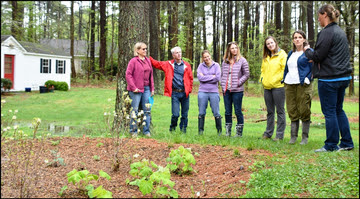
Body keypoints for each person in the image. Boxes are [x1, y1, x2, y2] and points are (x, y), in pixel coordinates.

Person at [304, 4, 354, 152]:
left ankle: (331, 145)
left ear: (325, 14)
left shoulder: (326, 32)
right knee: (339, 109)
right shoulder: (340, 32)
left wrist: (307, 51)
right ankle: (347, 142)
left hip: (330, 79)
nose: (318, 19)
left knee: (330, 111)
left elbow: (318, 56)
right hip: (343, 77)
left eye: (319, 16)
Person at [149, 47, 193, 133]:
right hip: (175, 93)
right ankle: (172, 129)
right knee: (175, 114)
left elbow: (191, 78)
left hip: (185, 93)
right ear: (173, 55)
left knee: (185, 114)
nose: (179, 54)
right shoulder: (168, 64)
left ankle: (183, 131)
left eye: (180, 52)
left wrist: (189, 89)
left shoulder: (187, 65)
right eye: (177, 53)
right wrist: (147, 56)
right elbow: (156, 64)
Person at [282, 30, 313, 145]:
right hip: (289, 84)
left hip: (303, 85)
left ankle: (304, 137)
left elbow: (314, 67)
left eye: (300, 37)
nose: (297, 39)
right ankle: (293, 137)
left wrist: (308, 78)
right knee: (291, 109)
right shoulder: (291, 53)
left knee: (304, 109)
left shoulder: (308, 52)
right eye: (295, 37)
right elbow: (287, 68)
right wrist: (284, 78)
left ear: (304, 39)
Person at [260, 36, 287, 141]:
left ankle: (279, 135)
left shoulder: (282, 54)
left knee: (280, 111)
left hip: (278, 87)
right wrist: (262, 79)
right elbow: (263, 70)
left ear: (275, 43)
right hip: (267, 87)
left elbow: (285, 70)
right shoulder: (266, 56)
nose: (270, 45)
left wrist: (279, 79)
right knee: (270, 111)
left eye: (271, 43)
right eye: (268, 44)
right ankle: (268, 133)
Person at [220, 42, 250, 137]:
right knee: (227, 111)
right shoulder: (225, 61)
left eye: (235, 48)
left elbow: (246, 74)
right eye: (232, 48)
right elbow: (222, 75)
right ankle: (228, 132)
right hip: (226, 90)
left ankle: (238, 133)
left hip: (237, 91)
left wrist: (238, 83)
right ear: (229, 50)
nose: (234, 50)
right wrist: (222, 84)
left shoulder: (242, 60)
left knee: (237, 111)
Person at [125, 42, 154, 137]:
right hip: (136, 90)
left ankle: (146, 131)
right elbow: (128, 75)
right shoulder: (133, 61)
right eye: (143, 49)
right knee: (135, 110)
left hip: (146, 89)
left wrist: (152, 89)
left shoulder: (148, 60)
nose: (145, 50)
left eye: (146, 49)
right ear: (137, 50)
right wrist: (134, 88)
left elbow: (151, 76)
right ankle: (133, 131)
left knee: (147, 110)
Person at [197, 50, 222, 136]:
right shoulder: (200, 66)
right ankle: (200, 132)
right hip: (202, 92)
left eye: (208, 56)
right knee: (201, 112)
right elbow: (200, 78)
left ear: (210, 56)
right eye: (205, 57)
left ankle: (219, 132)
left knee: (216, 112)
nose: (207, 58)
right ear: (202, 58)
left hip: (214, 92)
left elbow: (218, 78)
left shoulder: (216, 65)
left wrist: (205, 77)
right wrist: (212, 77)